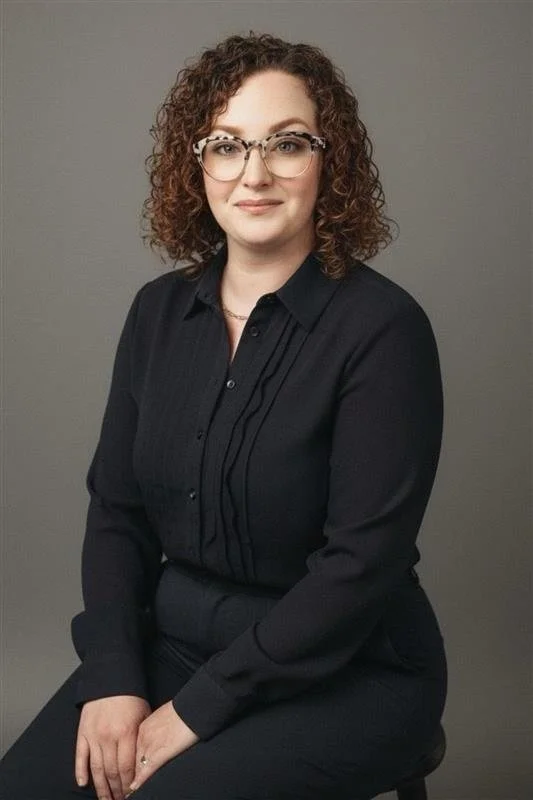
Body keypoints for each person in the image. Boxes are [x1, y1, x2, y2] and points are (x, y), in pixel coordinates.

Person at [0, 31, 447, 800]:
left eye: (287, 143)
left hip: (350, 671)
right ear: (196, 163)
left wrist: (193, 713)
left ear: (328, 160)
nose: (255, 172)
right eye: (227, 145)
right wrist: (113, 677)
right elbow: (117, 511)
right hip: (174, 645)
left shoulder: (382, 329)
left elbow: (358, 567)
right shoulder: (156, 314)